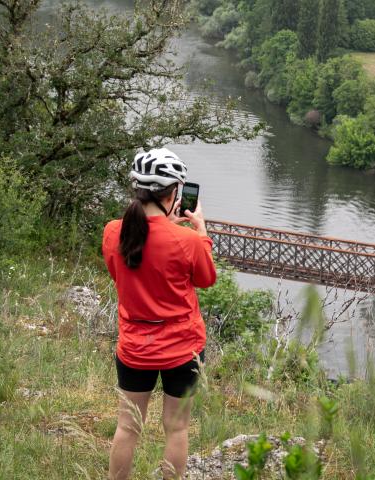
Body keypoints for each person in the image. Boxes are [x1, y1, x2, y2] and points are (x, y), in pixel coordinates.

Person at [102, 148, 217, 480]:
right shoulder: (186, 241)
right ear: (174, 193)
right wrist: (201, 231)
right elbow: (206, 278)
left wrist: (165, 227)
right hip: (182, 348)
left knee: (127, 426)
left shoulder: (113, 232)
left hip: (135, 346)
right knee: (176, 428)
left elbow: (122, 269)